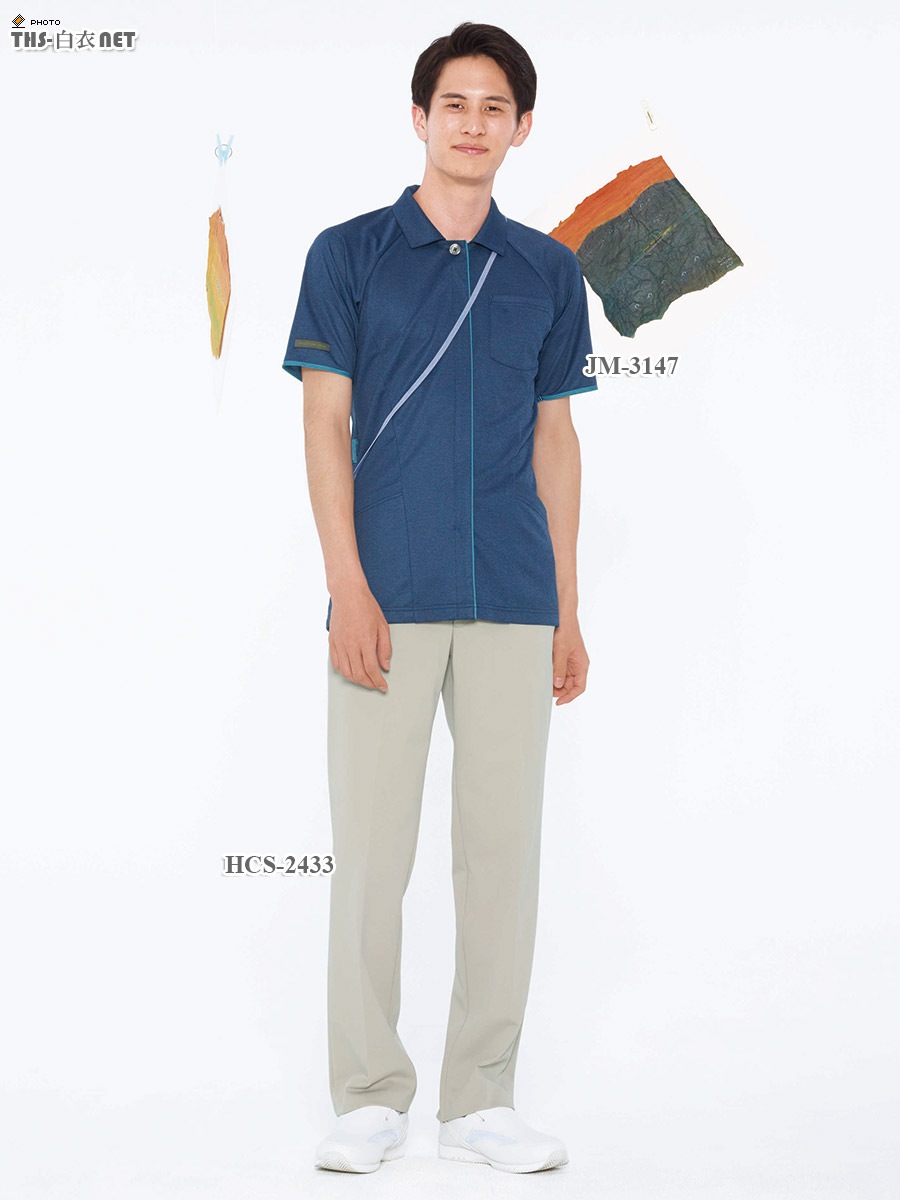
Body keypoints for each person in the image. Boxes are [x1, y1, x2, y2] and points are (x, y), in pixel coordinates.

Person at [281, 21, 597, 1174]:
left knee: (502, 852)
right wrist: (346, 585)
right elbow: (324, 424)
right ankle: (370, 1094)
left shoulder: (549, 272)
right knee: (372, 852)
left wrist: (567, 607)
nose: (472, 123)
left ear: (522, 126)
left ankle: (481, 1100)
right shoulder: (349, 254)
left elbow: (555, 442)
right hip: (387, 594)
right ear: (420, 117)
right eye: (453, 103)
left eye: (493, 106)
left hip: (513, 595)